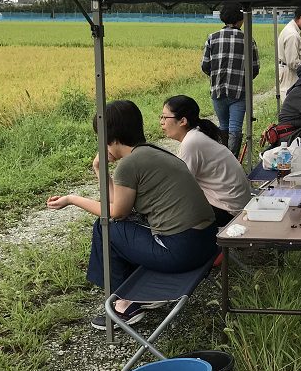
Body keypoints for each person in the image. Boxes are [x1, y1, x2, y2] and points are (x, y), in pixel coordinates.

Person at [46, 100, 217, 330]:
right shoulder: (152, 152)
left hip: (183, 251)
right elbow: (118, 202)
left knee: (104, 227)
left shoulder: (129, 165)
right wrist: (100, 170)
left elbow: (115, 213)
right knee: (125, 223)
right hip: (206, 242)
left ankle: (125, 303)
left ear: (110, 137)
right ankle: (138, 296)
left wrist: (72, 199)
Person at [160, 95, 253, 227]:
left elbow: (180, 186)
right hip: (235, 205)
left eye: (165, 117)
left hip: (229, 211)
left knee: (170, 211)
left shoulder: (191, 142)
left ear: (182, 121)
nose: (161, 122)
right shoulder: (197, 134)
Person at [202, 3, 260, 156]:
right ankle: (231, 161)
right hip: (240, 92)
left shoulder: (212, 38)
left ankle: (221, 160)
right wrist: (242, 78)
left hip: (218, 91)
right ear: (240, 19)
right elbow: (254, 68)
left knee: (223, 126)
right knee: (235, 128)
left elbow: (205, 66)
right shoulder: (247, 39)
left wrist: (217, 77)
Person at [277, 6, 301, 94]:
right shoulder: (292, 35)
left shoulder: (296, 31)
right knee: (292, 104)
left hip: (293, 75)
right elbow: (293, 63)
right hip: (290, 76)